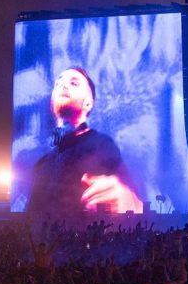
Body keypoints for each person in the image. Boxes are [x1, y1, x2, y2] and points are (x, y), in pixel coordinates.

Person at [25, 68, 141, 219]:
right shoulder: (41, 163)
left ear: (88, 103)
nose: (63, 86)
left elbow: (133, 200)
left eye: (73, 83)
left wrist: (127, 199)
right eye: (58, 83)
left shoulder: (102, 144)